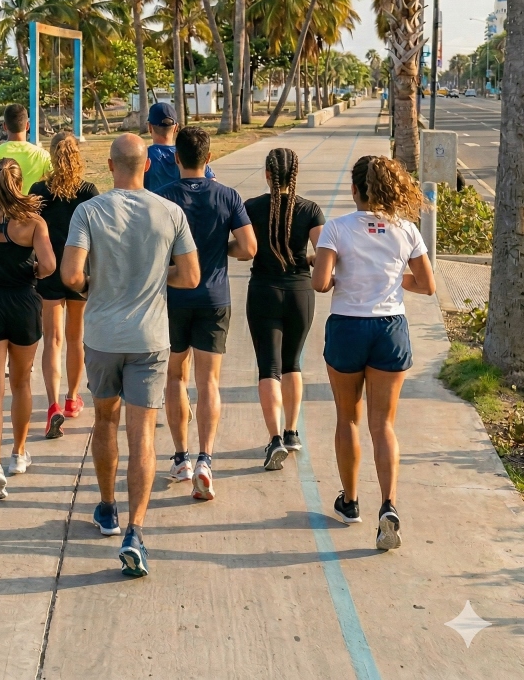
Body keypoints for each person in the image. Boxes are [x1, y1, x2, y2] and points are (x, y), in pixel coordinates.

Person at [61, 134, 200, 577]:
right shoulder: (170, 212)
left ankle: (107, 507)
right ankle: (136, 532)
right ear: (146, 165)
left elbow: (70, 275)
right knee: (142, 435)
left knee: (104, 421)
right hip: (150, 338)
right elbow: (192, 276)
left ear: (110, 164)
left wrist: (93, 284)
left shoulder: (89, 211)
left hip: (102, 335)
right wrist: (157, 276)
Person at [312, 155, 435, 551]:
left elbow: (320, 283)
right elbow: (427, 284)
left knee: (348, 418)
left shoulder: (336, 228)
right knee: (384, 425)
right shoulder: (406, 230)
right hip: (390, 329)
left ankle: (349, 503)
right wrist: (390, 276)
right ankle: (389, 505)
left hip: (348, 326)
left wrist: (340, 273)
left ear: (354, 190)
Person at [156, 126, 256, 501]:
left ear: (177, 158)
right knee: (209, 382)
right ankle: (205, 460)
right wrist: (219, 250)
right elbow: (248, 248)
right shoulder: (227, 196)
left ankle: (180, 457)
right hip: (214, 297)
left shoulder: (163, 199)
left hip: (173, 299)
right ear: (209, 158)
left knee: (175, 377)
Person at [0, 159, 56, 499]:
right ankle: (19, 453)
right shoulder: (33, 221)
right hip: (23, 303)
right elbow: (49, 265)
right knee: (21, 382)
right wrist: (32, 269)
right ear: (21, 183)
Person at [244, 148, 324, 470]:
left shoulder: (251, 208)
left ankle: (274, 438)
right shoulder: (311, 209)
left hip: (263, 290)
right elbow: (325, 253)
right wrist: (303, 259)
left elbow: (243, 249)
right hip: (300, 293)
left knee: (268, 367)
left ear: (267, 174)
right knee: (293, 363)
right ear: (296, 174)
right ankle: (292, 432)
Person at [29, 132, 99, 438]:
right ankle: (72, 399)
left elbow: (30, 231)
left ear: (52, 156)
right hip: (79, 272)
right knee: (75, 338)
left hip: (48, 271)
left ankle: (53, 405)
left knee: (52, 341)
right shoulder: (88, 191)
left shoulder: (39, 190)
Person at [0, 103, 52, 192]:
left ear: (4, 126)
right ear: (27, 126)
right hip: (34, 205)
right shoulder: (43, 156)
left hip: (2, 205)